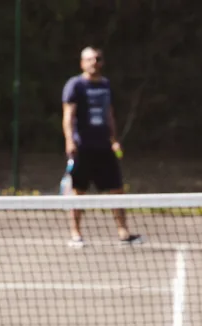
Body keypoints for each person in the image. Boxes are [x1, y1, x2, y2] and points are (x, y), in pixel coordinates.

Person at [62, 46, 142, 247]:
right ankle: (75, 233)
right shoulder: (75, 85)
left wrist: (114, 140)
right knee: (78, 191)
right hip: (83, 147)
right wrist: (70, 141)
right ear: (82, 63)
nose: (94, 63)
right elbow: (68, 116)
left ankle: (123, 232)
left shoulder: (106, 85)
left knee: (117, 189)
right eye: (90, 59)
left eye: (97, 59)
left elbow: (109, 115)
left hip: (104, 147)